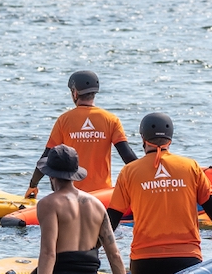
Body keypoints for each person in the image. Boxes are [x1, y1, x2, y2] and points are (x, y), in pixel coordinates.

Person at [107, 112, 212, 274]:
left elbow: (112, 218)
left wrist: (90, 251)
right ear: (170, 139)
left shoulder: (129, 172)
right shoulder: (190, 167)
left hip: (144, 264)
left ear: (143, 138)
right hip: (187, 262)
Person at [33, 145, 136, 274]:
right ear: (75, 173)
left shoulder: (48, 204)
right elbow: (114, 254)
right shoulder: (96, 205)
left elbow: (49, 252)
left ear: (50, 174)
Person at [26, 70, 137, 198]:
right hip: (101, 196)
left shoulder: (64, 120)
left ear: (75, 92)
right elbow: (127, 156)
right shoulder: (111, 120)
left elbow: (46, 157)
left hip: (71, 195)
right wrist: (146, 179)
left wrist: (33, 185)